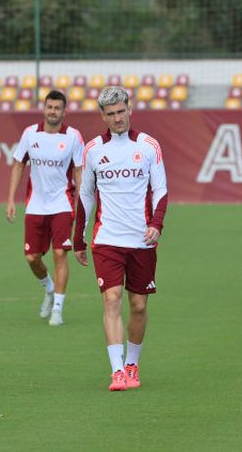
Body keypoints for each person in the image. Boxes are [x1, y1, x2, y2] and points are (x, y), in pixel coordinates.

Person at [72, 86, 167, 392]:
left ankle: (132, 364)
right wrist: (78, 238)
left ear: (129, 109)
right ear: (103, 116)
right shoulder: (93, 150)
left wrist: (156, 224)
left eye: (121, 111)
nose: (117, 118)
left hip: (141, 240)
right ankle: (117, 372)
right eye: (111, 113)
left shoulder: (149, 145)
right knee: (111, 299)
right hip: (107, 239)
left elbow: (161, 190)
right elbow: (86, 194)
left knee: (138, 305)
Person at [6, 89, 84, 327]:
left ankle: (57, 309)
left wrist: (82, 204)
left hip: (62, 203)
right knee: (32, 258)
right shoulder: (30, 134)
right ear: (44, 109)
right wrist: (11, 199)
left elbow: (79, 171)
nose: (53, 111)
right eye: (49, 107)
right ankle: (49, 289)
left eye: (57, 108)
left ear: (64, 112)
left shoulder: (73, 136)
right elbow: (18, 165)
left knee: (60, 253)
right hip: (35, 205)